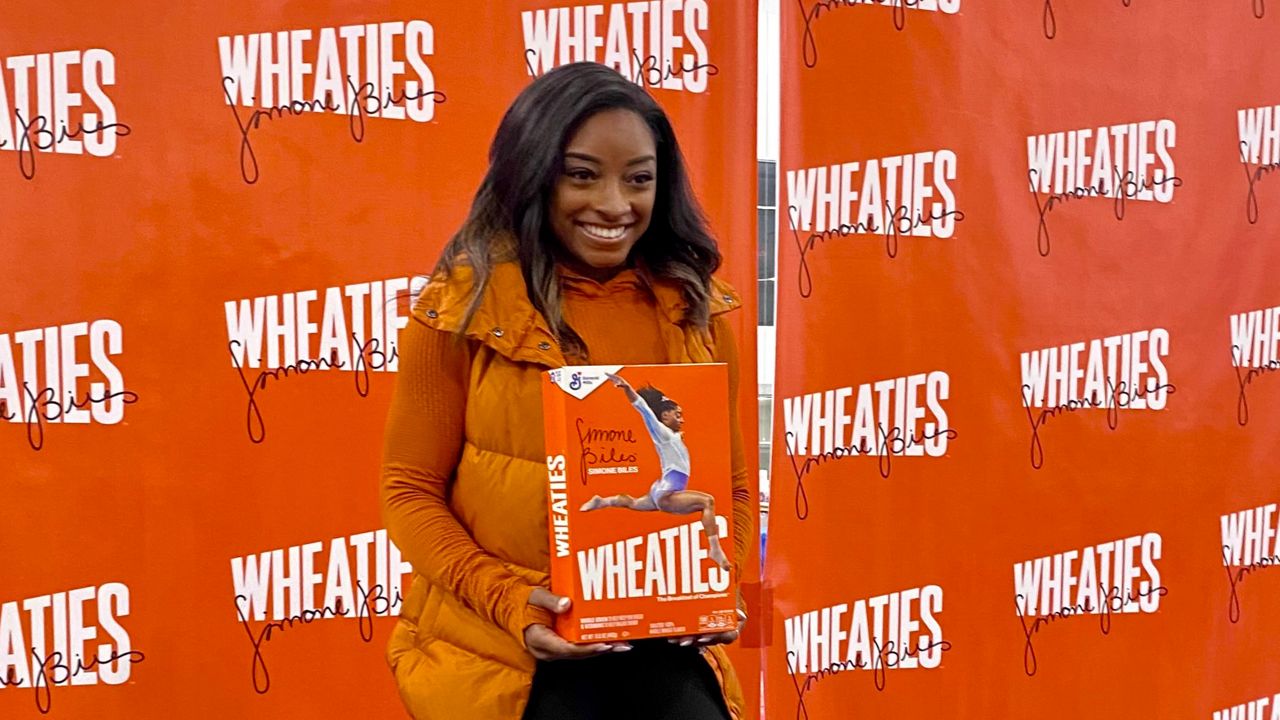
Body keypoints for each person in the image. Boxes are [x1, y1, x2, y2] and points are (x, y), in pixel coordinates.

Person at [380, 61, 752, 720]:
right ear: (532, 174)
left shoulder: (699, 309)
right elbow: (409, 491)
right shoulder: (460, 308)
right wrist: (511, 600)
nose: (614, 204)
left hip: (667, 653)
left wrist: (716, 584)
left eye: (639, 179)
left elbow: (737, 490)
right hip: (506, 652)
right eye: (582, 175)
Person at [580, 374, 732, 573]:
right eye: (677, 415)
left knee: (634, 503)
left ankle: (603, 501)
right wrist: (627, 388)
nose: (682, 419)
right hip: (667, 492)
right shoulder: (662, 432)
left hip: (660, 489)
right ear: (664, 416)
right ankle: (715, 549)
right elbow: (643, 409)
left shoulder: (672, 436)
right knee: (707, 502)